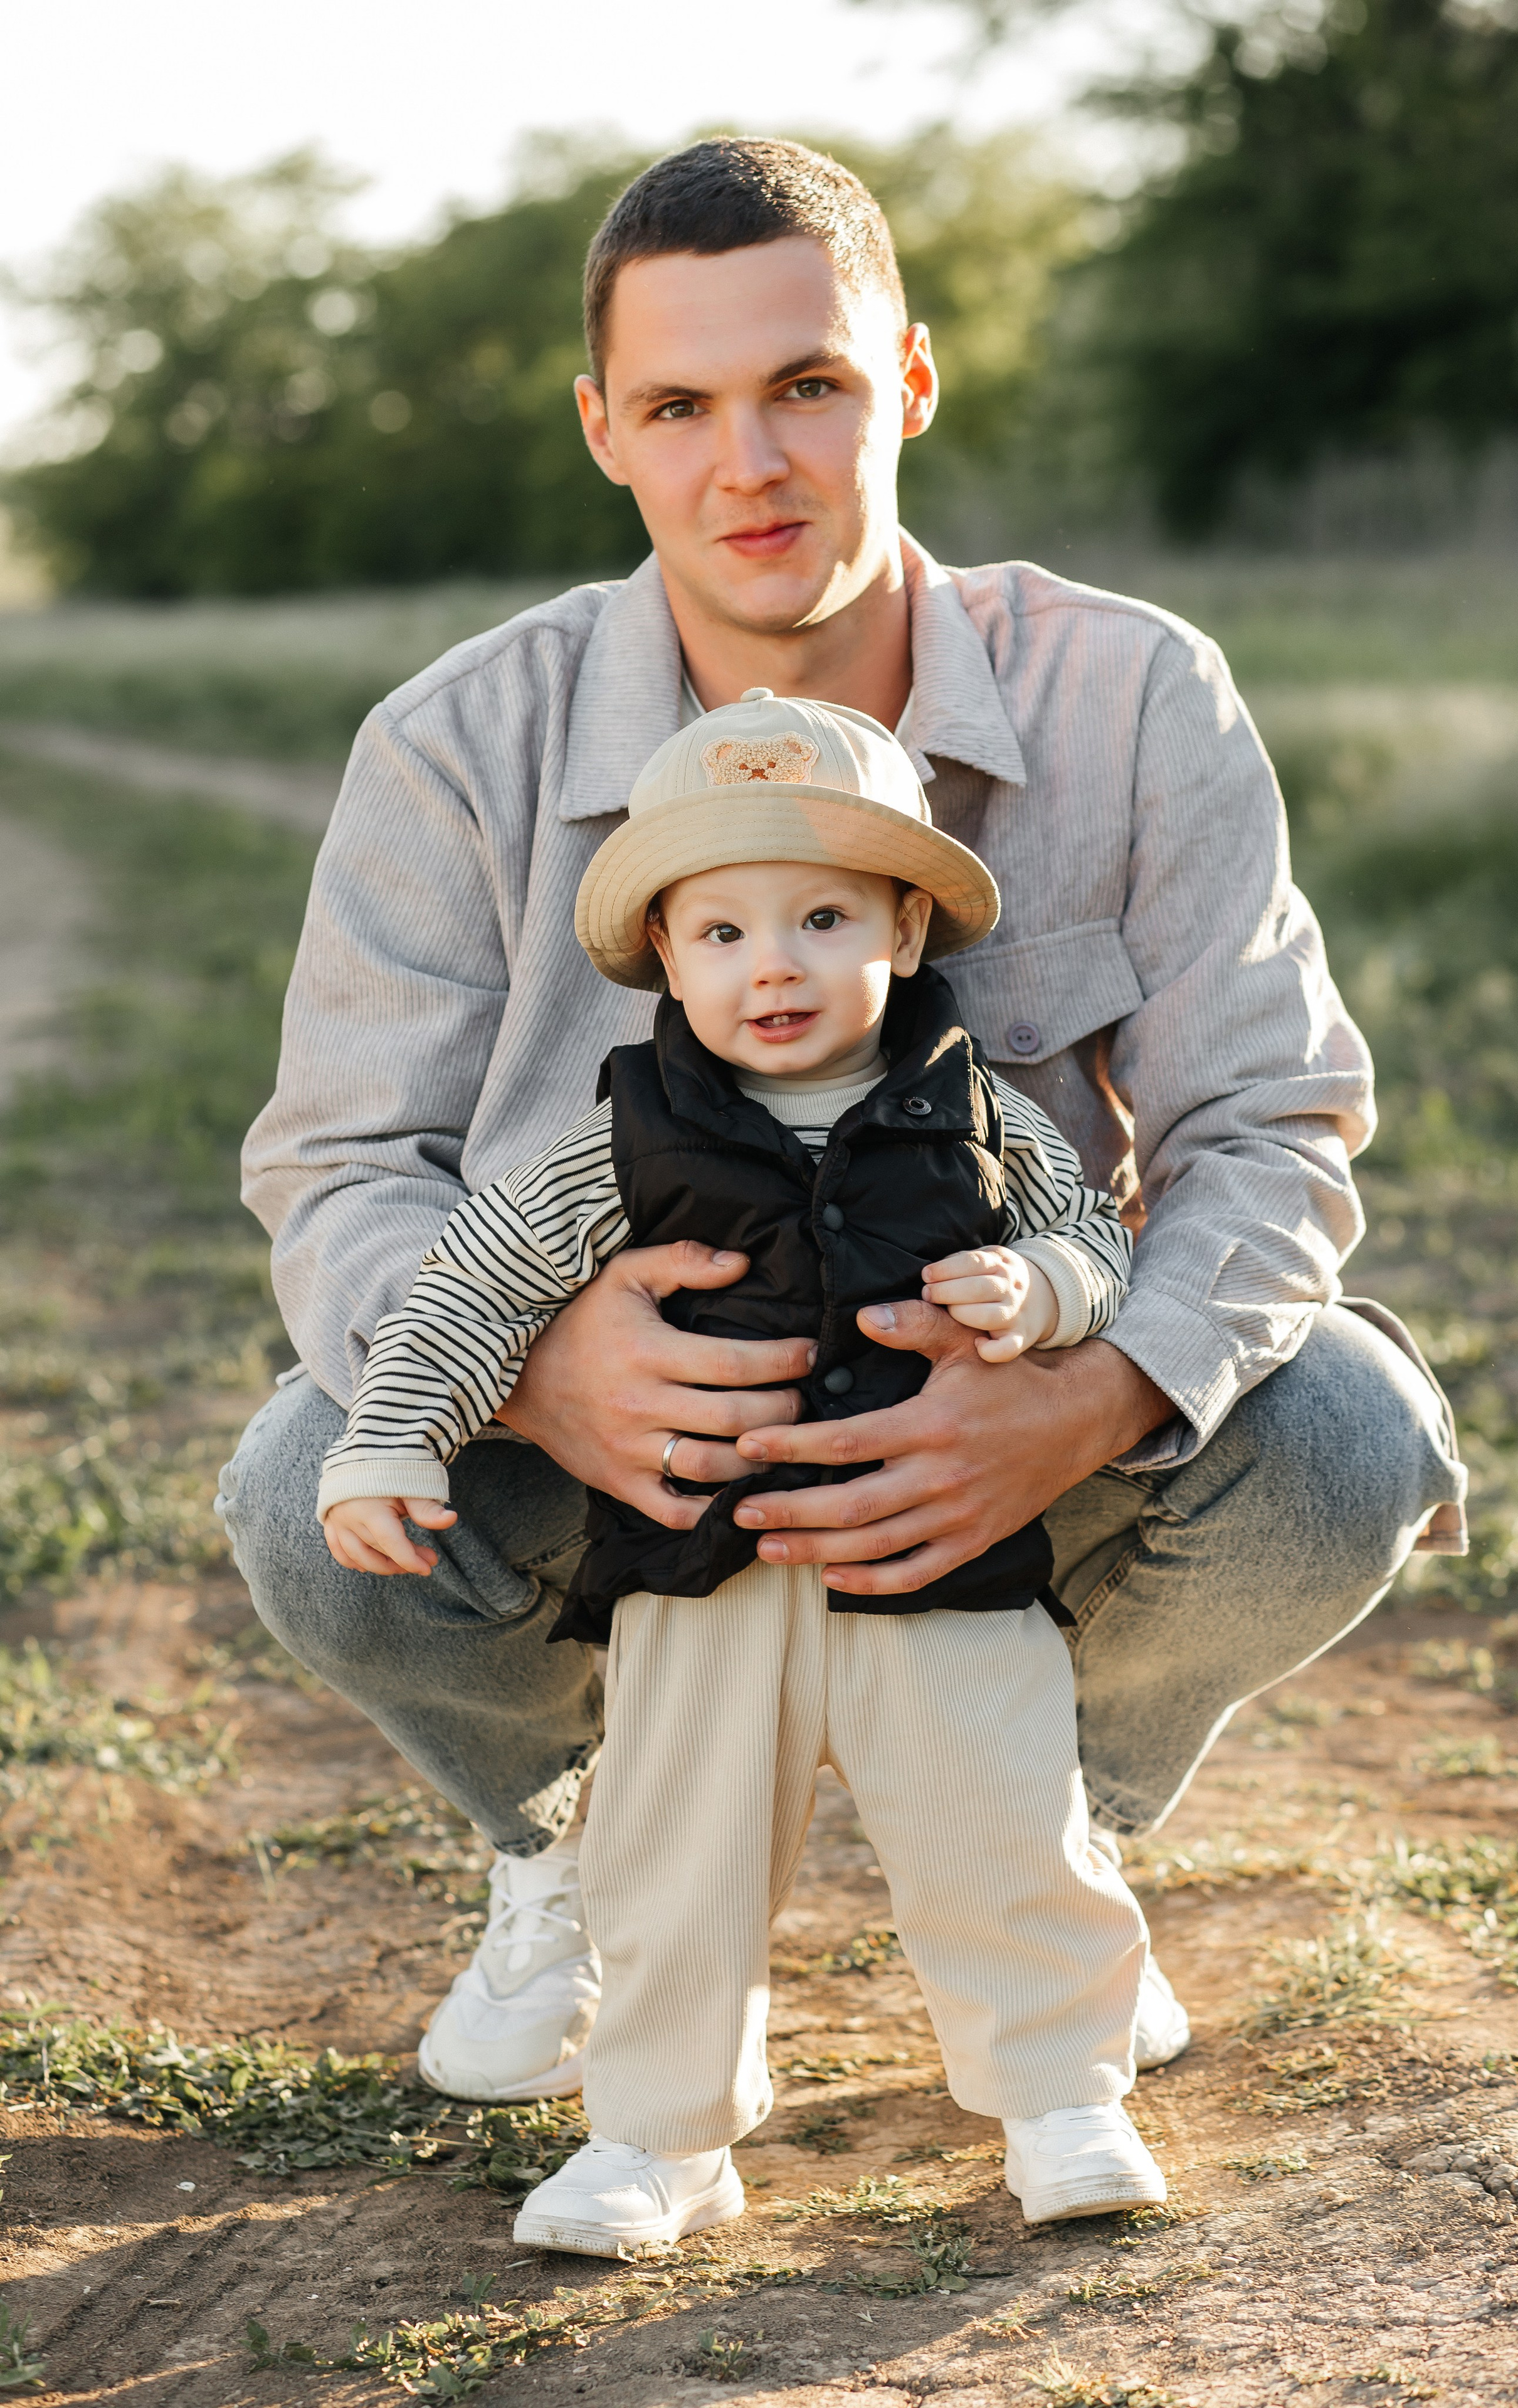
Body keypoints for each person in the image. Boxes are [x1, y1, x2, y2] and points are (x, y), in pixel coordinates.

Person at [219, 135, 1467, 2116]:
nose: (752, 465)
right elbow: (339, 1164)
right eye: (679, 407)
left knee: (1344, 1435)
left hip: (998, 1417)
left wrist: (1094, 1392)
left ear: (910, 383)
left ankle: (1052, 1838)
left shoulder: (1134, 693)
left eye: (806, 385)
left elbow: (1271, 1115)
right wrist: (543, 1370)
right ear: (603, 431)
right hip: (629, 1461)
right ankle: (570, 1851)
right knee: (311, 1483)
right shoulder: (456, 743)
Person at [319, 687, 1164, 2246]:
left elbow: (1097, 1240)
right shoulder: (620, 1141)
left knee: (1001, 1827)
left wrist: (1041, 1288)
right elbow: (474, 1290)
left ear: (903, 926)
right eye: (720, 932)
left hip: (937, 1548)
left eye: (821, 918)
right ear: (665, 952)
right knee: (671, 1856)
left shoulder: (977, 1118)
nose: (771, 965)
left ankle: (1061, 2100)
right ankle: (660, 2136)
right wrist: (388, 1439)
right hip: (697, 1569)